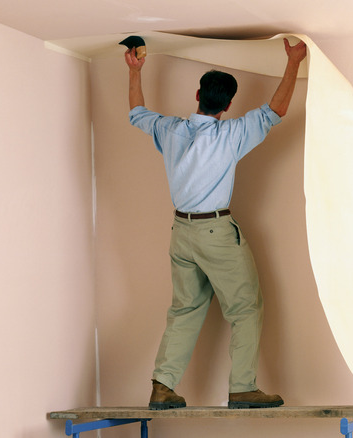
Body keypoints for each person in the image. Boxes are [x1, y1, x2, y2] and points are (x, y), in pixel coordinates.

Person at [124, 38, 307, 410]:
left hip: (181, 235)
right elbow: (277, 109)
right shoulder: (231, 135)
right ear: (227, 106)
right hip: (215, 234)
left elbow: (136, 112)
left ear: (197, 95)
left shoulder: (170, 129)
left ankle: (162, 386)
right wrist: (293, 61)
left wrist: (134, 71)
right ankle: (242, 388)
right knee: (245, 309)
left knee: (185, 310)